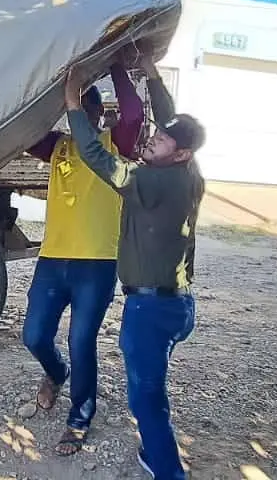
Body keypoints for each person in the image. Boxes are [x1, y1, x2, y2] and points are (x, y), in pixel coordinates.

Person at [63, 51, 206, 480]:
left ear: (178, 155)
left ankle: (167, 471)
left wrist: (73, 105)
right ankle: (155, 449)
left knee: (145, 398)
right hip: (177, 305)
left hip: (150, 311)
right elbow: (169, 120)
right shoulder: (189, 169)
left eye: (160, 142)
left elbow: (99, 158)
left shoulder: (151, 181)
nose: (151, 140)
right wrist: (150, 74)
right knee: (151, 385)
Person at [22, 56, 143, 455]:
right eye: (72, 110)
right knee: (34, 335)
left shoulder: (114, 146)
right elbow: (22, 131)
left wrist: (118, 67)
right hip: (53, 260)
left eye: (84, 110)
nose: (77, 120)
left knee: (81, 339)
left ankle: (80, 415)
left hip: (96, 264)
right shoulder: (57, 147)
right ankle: (56, 374)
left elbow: (134, 114)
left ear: (96, 114)